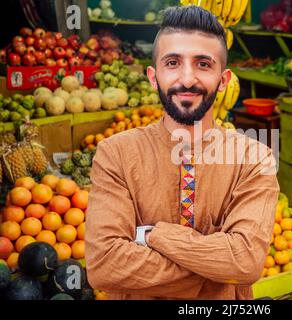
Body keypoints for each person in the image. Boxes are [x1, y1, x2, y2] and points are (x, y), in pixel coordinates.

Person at [85, 5, 279, 300]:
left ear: (224, 80)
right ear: (153, 76)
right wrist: (214, 270)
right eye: (173, 62)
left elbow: (245, 261)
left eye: (203, 64)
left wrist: (152, 236)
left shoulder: (255, 160)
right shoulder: (115, 154)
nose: (187, 79)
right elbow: (104, 266)